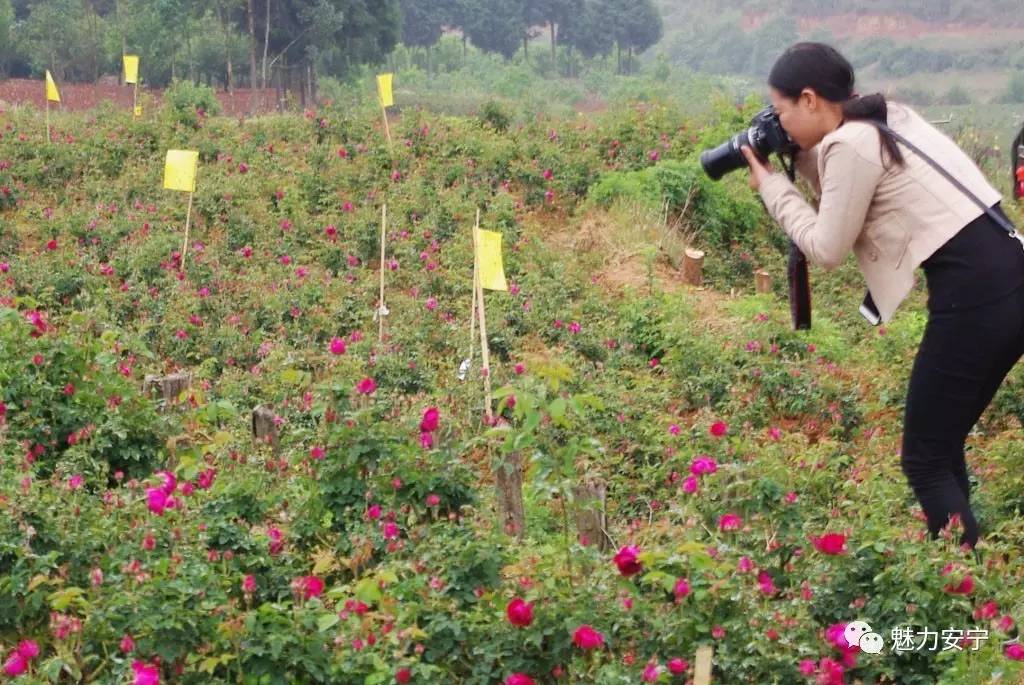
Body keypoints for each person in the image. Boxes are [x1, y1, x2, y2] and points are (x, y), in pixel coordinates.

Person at [741, 42, 1024, 551]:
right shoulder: (885, 118)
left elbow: (826, 247)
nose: (779, 125)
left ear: (809, 99)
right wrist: (797, 154)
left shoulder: (850, 144)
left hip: (976, 299)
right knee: (942, 443)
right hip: (1010, 278)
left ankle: (965, 591)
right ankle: (967, 570)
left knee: (923, 458)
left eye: (781, 112)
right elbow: (846, 184)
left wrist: (768, 183)